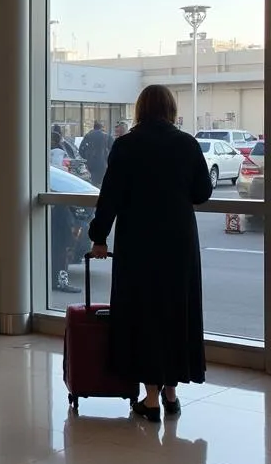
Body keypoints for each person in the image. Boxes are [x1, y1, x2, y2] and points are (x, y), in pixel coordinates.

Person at [89, 84, 213, 421]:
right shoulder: (187, 144)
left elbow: (110, 196)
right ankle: (172, 394)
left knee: (143, 315)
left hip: (139, 243)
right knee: (176, 311)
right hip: (179, 243)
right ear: (171, 109)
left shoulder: (127, 145)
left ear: (140, 109)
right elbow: (202, 192)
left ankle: (152, 399)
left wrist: (99, 237)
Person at [79, 120, 113, 185]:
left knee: (93, 180)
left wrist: (86, 157)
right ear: (101, 128)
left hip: (91, 162)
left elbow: (81, 149)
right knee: (102, 181)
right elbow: (113, 149)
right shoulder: (107, 136)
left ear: (94, 128)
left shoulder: (88, 135)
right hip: (103, 162)